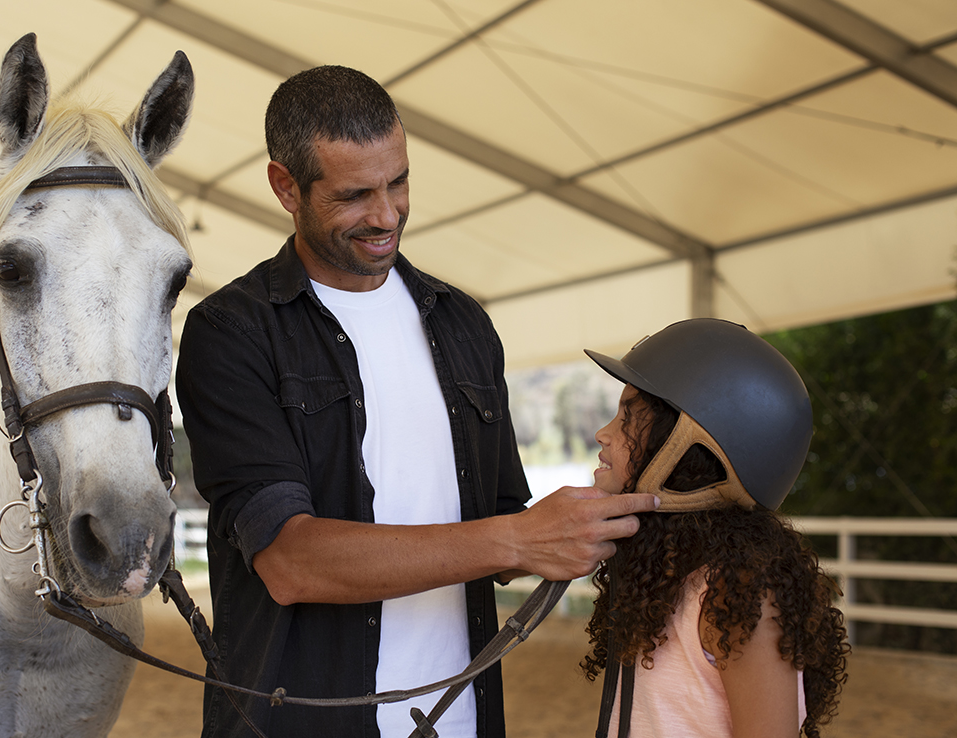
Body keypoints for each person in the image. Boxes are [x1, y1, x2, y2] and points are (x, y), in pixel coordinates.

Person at [175, 65, 658, 738]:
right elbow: (290, 561)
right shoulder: (231, 333)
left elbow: (501, 528)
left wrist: (581, 527)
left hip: (460, 720)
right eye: (354, 194)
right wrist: (516, 537)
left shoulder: (463, 323)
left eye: (398, 181)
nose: (386, 214)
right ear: (286, 186)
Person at [579, 318, 849, 738]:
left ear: (690, 446)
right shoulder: (662, 572)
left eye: (627, 419)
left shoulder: (739, 591)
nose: (604, 434)